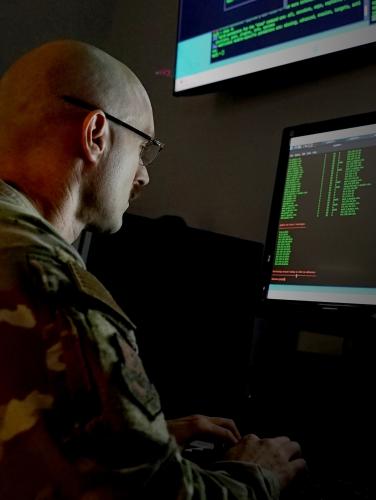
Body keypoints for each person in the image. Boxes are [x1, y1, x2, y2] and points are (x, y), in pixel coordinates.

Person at [0, 40, 305, 499]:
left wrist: (133, 434)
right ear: (96, 134)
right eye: (143, 147)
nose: (142, 176)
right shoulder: (56, 291)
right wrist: (257, 474)